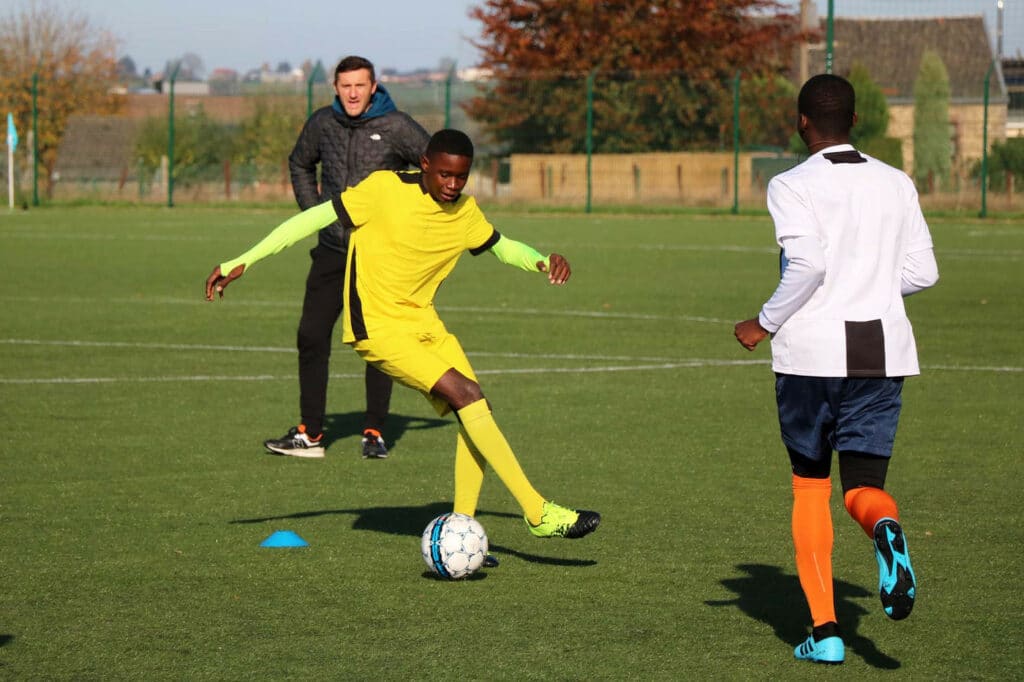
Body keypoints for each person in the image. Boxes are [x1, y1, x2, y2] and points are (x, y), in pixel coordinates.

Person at [206, 129, 601, 542]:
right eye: (445, 174)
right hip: (377, 328)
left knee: (474, 411)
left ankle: (460, 530)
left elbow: (501, 246)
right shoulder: (384, 189)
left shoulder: (465, 212)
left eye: (461, 177)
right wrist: (243, 260)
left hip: (425, 326)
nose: (453, 185)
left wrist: (542, 260)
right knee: (467, 395)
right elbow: (313, 218)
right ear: (425, 164)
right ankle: (537, 512)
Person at [733, 74, 938, 665]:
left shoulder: (790, 184)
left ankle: (824, 633)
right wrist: (868, 286)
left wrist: (763, 322)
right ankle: (884, 529)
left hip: (812, 355)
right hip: (880, 352)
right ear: (854, 120)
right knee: (864, 488)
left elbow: (807, 265)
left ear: (802, 122)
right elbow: (923, 272)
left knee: (810, 486)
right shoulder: (896, 182)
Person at [265, 55, 431, 460]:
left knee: (377, 341)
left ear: (373, 87)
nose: (353, 93)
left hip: (380, 259)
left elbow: (433, 166)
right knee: (311, 335)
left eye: (360, 85)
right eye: (346, 86)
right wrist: (316, 214)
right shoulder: (323, 123)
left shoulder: (397, 126)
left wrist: (402, 215)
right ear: (336, 88)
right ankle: (310, 434)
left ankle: (374, 431)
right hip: (332, 250)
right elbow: (300, 163)